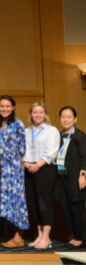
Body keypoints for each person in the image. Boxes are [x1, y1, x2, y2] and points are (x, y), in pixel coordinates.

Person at [22, 102, 60, 250]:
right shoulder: (26, 131)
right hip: (28, 167)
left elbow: (52, 151)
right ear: (31, 114)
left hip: (44, 169)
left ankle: (46, 237)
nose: (37, 115)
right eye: (35, 112)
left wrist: (37, 165)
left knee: (44, 203)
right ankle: (39, 235)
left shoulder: (52, 130)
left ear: (45, 114)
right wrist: (26, 163)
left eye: (40, 112)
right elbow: (21, 149)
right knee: (33, 203)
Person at [0, 96, 29, 248]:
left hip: (13, 169)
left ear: (13, 107)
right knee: (1, 200)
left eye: (8, 106)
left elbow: (22, 148)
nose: (5, 109)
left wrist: (12, 158)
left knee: (17, 201)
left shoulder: (18, 123)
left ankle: (18, 237)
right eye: (2, 106)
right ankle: (3, 234)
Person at [55, 106, 86, 250]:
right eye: (63, 117)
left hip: (75, 177)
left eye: (69, 116)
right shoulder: (58, 136)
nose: (66, 119)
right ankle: (73, 236)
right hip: (62, 176)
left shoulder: (79, 136)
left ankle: (82, 237)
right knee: (66, 207)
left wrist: (83, 174)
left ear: (75, 119)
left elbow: (84, 157)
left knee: (77, 207)